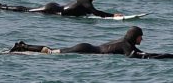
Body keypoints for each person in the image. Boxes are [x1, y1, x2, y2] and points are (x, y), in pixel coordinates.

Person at [10, 26, 149, 57]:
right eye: (140, 36)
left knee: (52, 51)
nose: (142, 39)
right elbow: (139, 55)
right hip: (84, 50)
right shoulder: (126, 45)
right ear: (135, 36)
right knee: (51, 52)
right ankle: (23, 47)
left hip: (86, 47)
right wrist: (169, 56)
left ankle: (24, 46)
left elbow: (139, 53)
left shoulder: (125, 42)